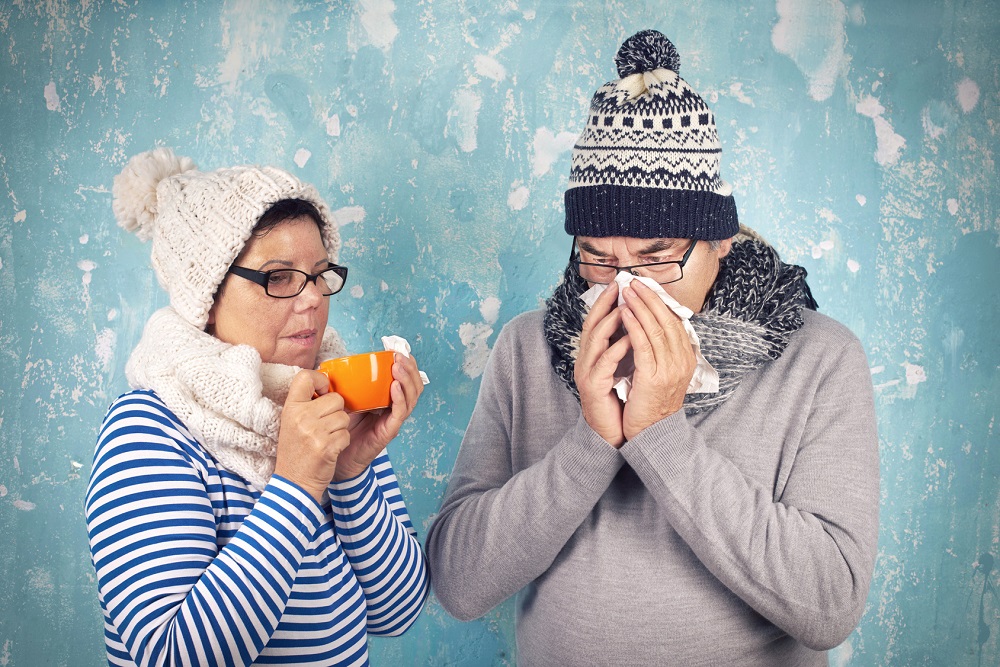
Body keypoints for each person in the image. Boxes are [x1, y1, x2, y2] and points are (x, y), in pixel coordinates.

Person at [426, 30, 879, 666]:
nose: (626, 289)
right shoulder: (527, 348)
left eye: (657, 259)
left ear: (718, 242)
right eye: (598, 258)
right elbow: (459, 584)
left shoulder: (820, 358)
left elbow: (830, 605)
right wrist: (590, 442)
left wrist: (662, 433)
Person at [85, 148, 428, 666]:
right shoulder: (148, 430)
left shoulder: (332, 404)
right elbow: (170, 656)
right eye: (279, 276)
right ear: (208, 294)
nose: (312, 299)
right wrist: (295, 486)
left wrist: (352, 475)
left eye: (319, 273)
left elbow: (396, 613)